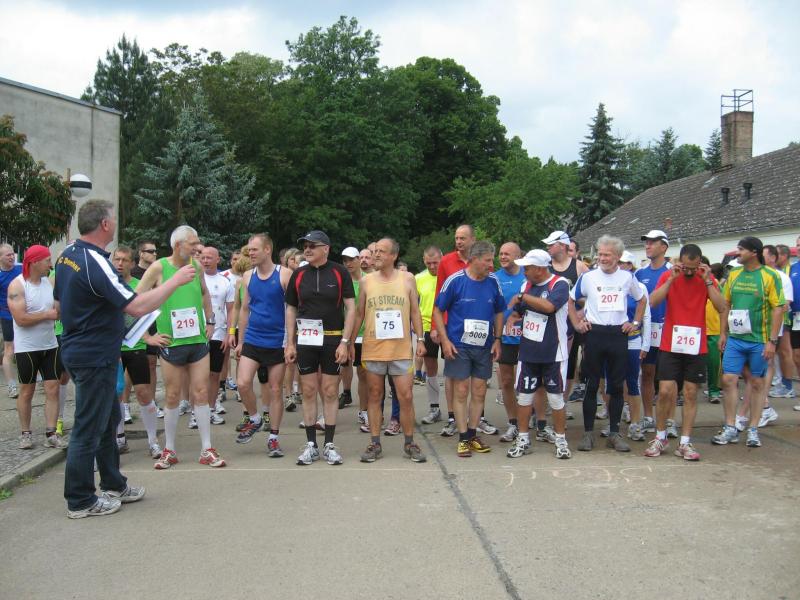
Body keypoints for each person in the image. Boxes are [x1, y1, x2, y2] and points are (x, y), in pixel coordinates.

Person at [55, 200, 196, 518]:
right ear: (105, 225)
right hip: (93, 354)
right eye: (114, 219)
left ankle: (114, 484)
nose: (116, 224)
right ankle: (80, 500)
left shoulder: (67, 255)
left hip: (85, 348)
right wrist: (174, 281)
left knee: (107, 421)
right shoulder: (95, 261)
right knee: (88, 426)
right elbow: (135, 306)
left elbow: (60, 302)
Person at [137, 225, 225, 469]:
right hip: (171, 343)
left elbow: (205, 293)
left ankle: (207, 449)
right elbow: (136, 299)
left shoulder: (196, 267)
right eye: (193, 243)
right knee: (173, 395)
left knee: (201, 392)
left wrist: (210, 321)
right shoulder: (159, 267)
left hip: (197, 341)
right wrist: (147, 337)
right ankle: (169, 450)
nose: (198, 247)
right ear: (178, 245)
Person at [644, 244, 725, 460]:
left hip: (696, 345)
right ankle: (660, 436)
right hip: (670, 343)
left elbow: (721, 306)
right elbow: (653, 301)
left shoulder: (705, 277)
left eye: (693, 267)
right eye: (686, 267)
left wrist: (708, 281)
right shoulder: (670, 275)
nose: (689, 271)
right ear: (680, 261)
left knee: (690, 393)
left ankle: (685, 442)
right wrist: (671, 280)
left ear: (700, 263)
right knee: (665, 391)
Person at [569, 235, 645, 452]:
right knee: (591, 385)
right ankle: (588, 434)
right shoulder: (589, 277)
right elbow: (571, 299)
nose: (602, 258)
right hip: (595, 333)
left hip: (618, 334)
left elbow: (641, 299)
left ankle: (614, 433)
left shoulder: (627, 277)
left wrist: (635, 323)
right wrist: (577, 323)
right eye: (600, 254)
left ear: (618, 256)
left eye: (607, 255)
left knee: (617, 386)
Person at [285, 230, 356, 466]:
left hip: (332, 338)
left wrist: (345, 342)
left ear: (325, 248)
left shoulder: (340, 271)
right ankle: (311, 445)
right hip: (306, 338)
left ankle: (329, 445)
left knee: (329, 390)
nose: (307, 250)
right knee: (308, 390)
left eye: (312, 246)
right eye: (305, 246)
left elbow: (351, 308)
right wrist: (290, 342)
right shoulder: (298, 274)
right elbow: (290, 308)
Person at [356, 238, 427, 462]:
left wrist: (421, 339)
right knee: (374, 395)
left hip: (401, 349)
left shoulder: (408, 278)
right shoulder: (366, 281)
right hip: (374, 348)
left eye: (381, 251)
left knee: (406, 396)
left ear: (394, 256)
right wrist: (347, 342)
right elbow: (358, 314)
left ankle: (410, 442)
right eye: (375, 251)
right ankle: (374, 443)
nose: (376, 255)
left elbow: (415, 311)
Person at [433, 240, 505, 457]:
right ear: (474, 259)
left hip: (484, 346)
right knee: (462, 390)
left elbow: (499, 311)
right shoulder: (455, 281)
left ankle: (473, 434)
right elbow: (437, 310)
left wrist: (498, 339)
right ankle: (463, 437)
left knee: (480, 390)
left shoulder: (493, 281)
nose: (491, 265)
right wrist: (445, 340)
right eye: (487, 260)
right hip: (459, 345)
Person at [714, 237, 785, 448]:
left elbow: (778, 308)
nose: (738, 253)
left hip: (759, 340)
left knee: (757, 383)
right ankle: (730, 427)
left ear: (754, 252)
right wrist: (722, 333)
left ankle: (753, 429)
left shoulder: (770, 276)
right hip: (736, 339)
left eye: (741, 249)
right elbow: (726, 304)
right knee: (728, 380)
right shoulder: (734, 274)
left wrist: (772, 341)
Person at [504, 249, 572, 459]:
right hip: (528, 352)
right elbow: (519, 310)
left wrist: (522, 297)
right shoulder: (526, 286)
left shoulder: (560, 284)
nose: (524, 272)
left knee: (555, 398)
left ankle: (561, 440)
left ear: (540, 269)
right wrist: (512, 317)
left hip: (553, 353)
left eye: (527, 268)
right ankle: (523, 438)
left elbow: (550, 306)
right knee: (524, 397)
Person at [232, 234, 292, 458]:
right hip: (253, 338)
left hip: (277, 340)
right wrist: (240, 340)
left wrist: (291, 343)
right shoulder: (248, 276)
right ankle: (255, 418)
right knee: (242, 383)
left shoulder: (284, 274)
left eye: (254, 249)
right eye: (249, 250)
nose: (250, 253)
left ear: (267, 249)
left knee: (275, 390)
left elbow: (292, 309)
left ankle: (273, 438)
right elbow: (245, 309)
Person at [112, 246, 169, 458]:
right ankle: (119, 438)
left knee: (144, 393)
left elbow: (146, 314)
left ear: (132, 263)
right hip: (113, 349)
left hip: (136, 347)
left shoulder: (140, 285)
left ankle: (153, 441)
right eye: (117, 259)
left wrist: (147, 337)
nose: (120, 263)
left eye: (124, 260)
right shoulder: (109, 284)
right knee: (117, 393)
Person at [7, 245, 66, 450]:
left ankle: (51, 433)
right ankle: (25, 433)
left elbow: (58, 310)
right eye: (47, 260)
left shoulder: (49, 283)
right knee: (27, 391)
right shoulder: (17, 286)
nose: (50, 264)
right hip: (27, 348)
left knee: (53, 388)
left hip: (50, 345)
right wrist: (47, 315)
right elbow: (21, 319)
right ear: (34, 262)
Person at [635, 229, 672, 435]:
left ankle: (669, 420)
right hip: (648, 331)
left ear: (663, 247)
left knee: (668, 378)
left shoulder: (672, 271)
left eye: (652, 242)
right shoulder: (640, 273)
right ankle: (648, 417)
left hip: (668, 331)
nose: (647, 246)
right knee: (647, 373)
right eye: (646, 242)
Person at [493, 242, 526, 442]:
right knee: (506, 381)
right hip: (505, 337)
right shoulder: (495, 278)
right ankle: (513, 422)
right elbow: (493, 309)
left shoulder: (528, 276)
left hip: (528, 337)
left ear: (518, 256)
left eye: (507, 254)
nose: (503, 257)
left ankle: (530, 420)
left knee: (528, 381)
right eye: (501, 253)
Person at [200, 246, 234, 425]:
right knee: (198, 377)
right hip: (198, 335)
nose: (205, 261)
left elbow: (231, 310)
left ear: (218, 259)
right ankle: (196, 412)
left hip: (219, 334)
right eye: (203, 257)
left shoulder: (225, 281)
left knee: (214, 374)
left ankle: (211, 409)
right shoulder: (195, 278)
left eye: (209, 258)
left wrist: (230, 333)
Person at [340, 246, 369, 429]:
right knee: (339, 371)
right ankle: (344, 395)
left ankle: (363, 411)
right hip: (345, 334)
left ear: (359, 260)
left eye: (351, 259)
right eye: (345, 260)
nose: (348, 263)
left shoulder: (369, 280)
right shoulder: (341, 281)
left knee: (363, 373)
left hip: (364, 334)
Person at [417, 246, 444, 425]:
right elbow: (413, 304)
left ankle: (455, 412)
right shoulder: (418, 278)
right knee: (430, 368)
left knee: (454, 370)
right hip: (426, 327)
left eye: (435, 262)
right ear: (424, 261)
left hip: (447, 327)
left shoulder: (449, 276)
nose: (433, 266)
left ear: (442, 258)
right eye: (429, 263)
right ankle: (434, 408)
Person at [1, 243, 22, 399]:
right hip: (7, 317)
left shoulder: (21, 268)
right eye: (7, 254)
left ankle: (39, 378)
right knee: (9, 350)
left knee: (30, 347)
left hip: (24, 314)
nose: (11, 256)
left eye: (12, 253)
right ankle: (11, 386)